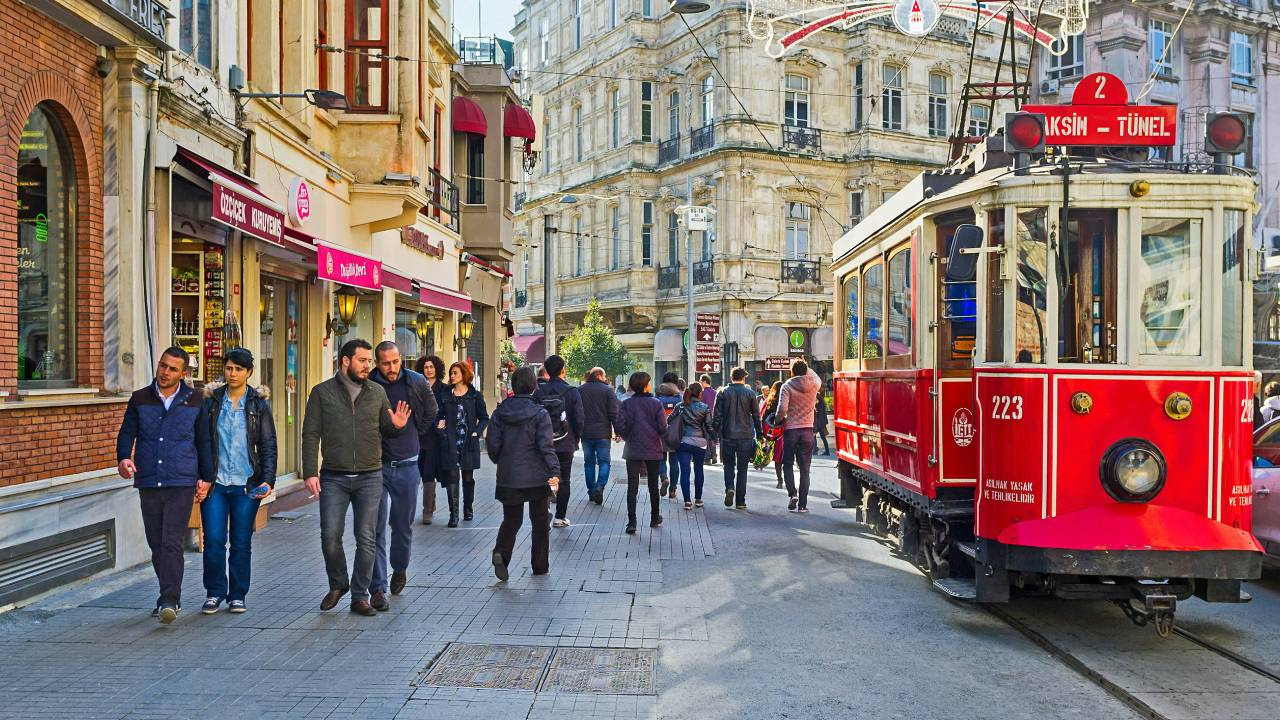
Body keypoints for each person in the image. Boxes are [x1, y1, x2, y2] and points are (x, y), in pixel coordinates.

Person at [302, 339, 413, 617]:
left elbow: (387, 428)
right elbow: (310, 434)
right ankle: (338, 583)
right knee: (330, 536)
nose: (368, 366)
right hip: (333, 478)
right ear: (345, 361)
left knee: (366, 538)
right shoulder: (321, 393)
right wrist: (309, 473)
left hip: (369, 476)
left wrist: (398, 426)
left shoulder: (376, 392)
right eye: (362, 360)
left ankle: (360, 596)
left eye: (368, 361)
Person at [116, 346, 210, 624]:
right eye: (162, 366)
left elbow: (204, 441)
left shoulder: (195, 400)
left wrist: (206, 478)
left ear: (183, 374)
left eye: (172, 369)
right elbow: (127, 432)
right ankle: (167, 594)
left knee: (171, 541)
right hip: (149, 481)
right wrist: (123, 459)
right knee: (156, 542)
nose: (165, 373)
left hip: (181, 480)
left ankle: (170, 599)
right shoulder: (140, 398)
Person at [196, 348, 276, 616]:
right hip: (216, 484)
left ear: (248, 372)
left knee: (241, 541)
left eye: (239, 369)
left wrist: (268, 479)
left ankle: (237, 594)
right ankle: (215, 592)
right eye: (229, 368)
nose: (233, 373)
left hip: (246, 484)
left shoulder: (258, 404)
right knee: (215, 539)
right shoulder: (210, 401)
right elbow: (202, 441)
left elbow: (268, 445)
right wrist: (202, 476)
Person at [368, 342, 438, 609]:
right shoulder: (370, 383)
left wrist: (414, 431)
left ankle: (399, 568)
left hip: (408, 463)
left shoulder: (416, 381)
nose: (392, 367)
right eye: (386, 363)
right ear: (377, 363)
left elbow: (431, 410)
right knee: (374, 527)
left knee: (401, 526)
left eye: (396, 361)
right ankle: (378, 586)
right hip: (376, 465)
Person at [487, 367, 561, 580]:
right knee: (539, 521)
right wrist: (555, 471)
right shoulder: (540, 413)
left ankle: (501, 552)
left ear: (513, 385)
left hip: (509, 475)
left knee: (512, 519)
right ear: (534, 386)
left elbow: (493, 445)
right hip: (537, 476)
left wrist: (502, 460)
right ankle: (540, 565)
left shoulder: (500, 413)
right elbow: (546, 447)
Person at [437, 361, 489, 526]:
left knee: (467, 477)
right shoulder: (445, 395)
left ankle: (468, 509)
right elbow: (437, 416)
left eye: (455, 373)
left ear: (464, 375)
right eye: (451, 373)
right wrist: (439, 426)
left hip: (468, 442)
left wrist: (476, 432)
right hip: (450, 442)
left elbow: (484, 418)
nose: (452, 376)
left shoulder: (475, 396)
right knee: (452, 477)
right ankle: (454, 515)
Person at [534, 355, 583, 527]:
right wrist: (576, 438)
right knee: (564, 480)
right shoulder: (572, 392)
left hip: (544, 443)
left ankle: (544, 511)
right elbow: (579, 419)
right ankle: (560, 517)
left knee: (543, 477)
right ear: (563, 370)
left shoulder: (538, 392)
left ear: (546, 370)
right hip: (565, 441)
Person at [615, 372, 667, 534]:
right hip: (653, 449)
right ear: (645, 385)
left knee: (632, 487)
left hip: (633, 449)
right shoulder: (656, 403)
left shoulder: (627, 404)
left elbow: (619, 425)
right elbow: (663, 428)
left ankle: (632, 522)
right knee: (653, 485)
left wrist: (628, 436)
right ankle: (654, 517)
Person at [776, 359, 822, 513]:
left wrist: (777, 420)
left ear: (792, 371)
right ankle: (803, 504)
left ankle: (792, 494)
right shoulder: (814, 384)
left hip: (791, 430)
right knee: (805, 469)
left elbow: (782, 409)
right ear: (806, 370)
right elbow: (818, 377)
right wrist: (806, 367)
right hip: (808, 431)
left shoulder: (787, 385)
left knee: (787, 463)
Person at [714, 367, 762, 509]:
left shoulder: (722, 392)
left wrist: (714, 434)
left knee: (728, 465)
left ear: (731, 377)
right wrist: (760, 435)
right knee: (743, 469)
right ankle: (740, 502)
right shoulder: (750, 393)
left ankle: (730, 488)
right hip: (745, 436)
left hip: (727, 435)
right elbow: (756, 416)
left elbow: (716, 416)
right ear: (744, 378)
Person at [414, 355, 449, 524]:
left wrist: (444, 422)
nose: (428, 370)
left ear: (437, 369)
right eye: (426, 367)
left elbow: (448, 410)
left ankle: (427, 509)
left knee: (428, 473)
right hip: (416, 435)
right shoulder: (416, 387)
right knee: (414, 473)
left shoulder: (444, 389)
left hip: (435, 437)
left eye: (431, 367)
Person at [578, 366, 619, 505]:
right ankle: (599, 487)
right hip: (603, 433)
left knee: (588, 464)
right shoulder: (608, 390)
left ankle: (591, 492)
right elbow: (614, 413)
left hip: (585, 433)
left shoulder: (581, 390)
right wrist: (618, 431)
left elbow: (577, 412)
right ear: (600, 375)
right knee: (604, 462)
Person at [673, 383, 716, 510]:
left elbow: (669, 420)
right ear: (699, 393)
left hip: (683, 442)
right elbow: (709, 426)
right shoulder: (704, 407)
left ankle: (687, 501)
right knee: (699, 470)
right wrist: (715, 439)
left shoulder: (680, 406)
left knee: (685, 471)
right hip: (700, 443)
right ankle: (698, 499)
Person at [655, 372, 682, 497]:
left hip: (660, 434)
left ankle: (664, 478)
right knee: (674, 462)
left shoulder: (657, 400)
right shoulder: (680, 400)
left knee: (661, 459)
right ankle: (672, 490)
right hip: (676, 435)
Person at [760, 381, 785, 489]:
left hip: (774, 434)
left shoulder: (769, 401)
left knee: (777, 459)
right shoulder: (787, 400)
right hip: (786, 432)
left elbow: (763, 418)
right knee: (787, 458)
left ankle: (780, 480)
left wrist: (765, 436)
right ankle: (789, 479)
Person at [699, 375, 718, 465]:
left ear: (704, 381)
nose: (700, 383)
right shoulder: (715, 392)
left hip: (705, 418)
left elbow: (701, 406)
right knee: (712, 437)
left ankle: (707, 458)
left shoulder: (702, 393)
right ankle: (714, 455)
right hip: (714, 417)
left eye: (700, 381)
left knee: (706, 438)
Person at [814, 380, 831, 456]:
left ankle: (815, 450)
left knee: (813, 435)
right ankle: (826, 451)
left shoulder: (817, 397)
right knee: (821, 436)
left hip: (819, 421)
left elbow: (817, 410)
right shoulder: (820, 397)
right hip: (821, 420)